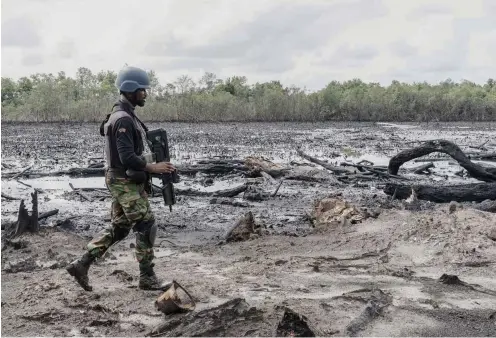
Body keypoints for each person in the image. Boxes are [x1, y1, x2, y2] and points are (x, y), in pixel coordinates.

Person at [66, 66, 175, 291]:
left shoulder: (122, 115)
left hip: (121, 180)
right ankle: (147, 278)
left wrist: (143, 179)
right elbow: (126, 157)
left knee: (121, 227)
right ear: (130, 90)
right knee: (146, 224)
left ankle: (82, 264)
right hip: (122, 181)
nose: (145, 94)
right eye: (142, 90)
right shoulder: (123, 119)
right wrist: (153, 168)